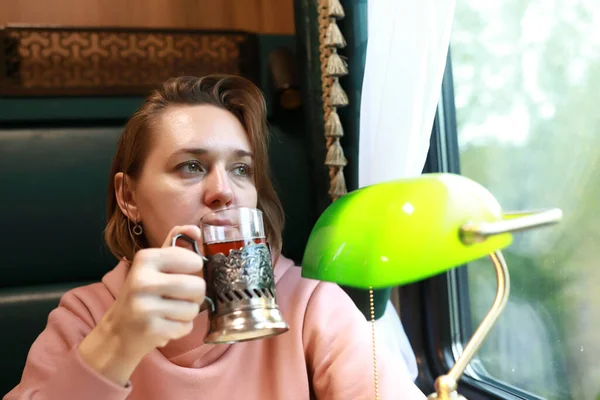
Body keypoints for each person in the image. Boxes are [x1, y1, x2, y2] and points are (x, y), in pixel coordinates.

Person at [4, 75, 426, 400]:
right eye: (191, 166)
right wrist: (117, 340)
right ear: (128, 197)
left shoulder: (310, 304)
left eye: (242, 169)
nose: (223, 190)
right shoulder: (86, 316)